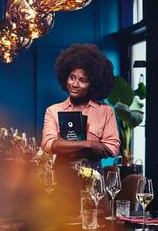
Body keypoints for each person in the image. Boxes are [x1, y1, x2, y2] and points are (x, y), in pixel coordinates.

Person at [41, 43, 120, 216]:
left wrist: (65, 144)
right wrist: (89, 145)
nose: (75, 84)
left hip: (95, 185)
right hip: (63, 185)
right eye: (72, 77)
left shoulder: (105, 111)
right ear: (65, 77)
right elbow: (48, 145)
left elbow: (113, 148)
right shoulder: (53, 111)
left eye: (83, 80)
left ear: (93, 84)